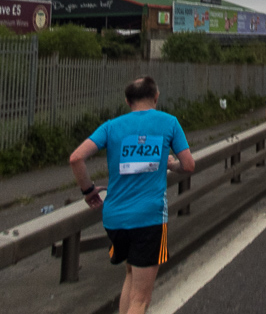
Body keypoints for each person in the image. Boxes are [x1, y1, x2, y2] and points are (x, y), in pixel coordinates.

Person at [69, 77, 195, 314]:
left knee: (130, 273)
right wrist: (171, 164)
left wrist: (88, 191)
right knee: (141, 299)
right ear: (156, 96)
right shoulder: (169, 122)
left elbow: (76, 158)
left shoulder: (111, 126)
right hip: (149, 219)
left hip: (115, 219)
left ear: (127, 101)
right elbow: (188, 165)